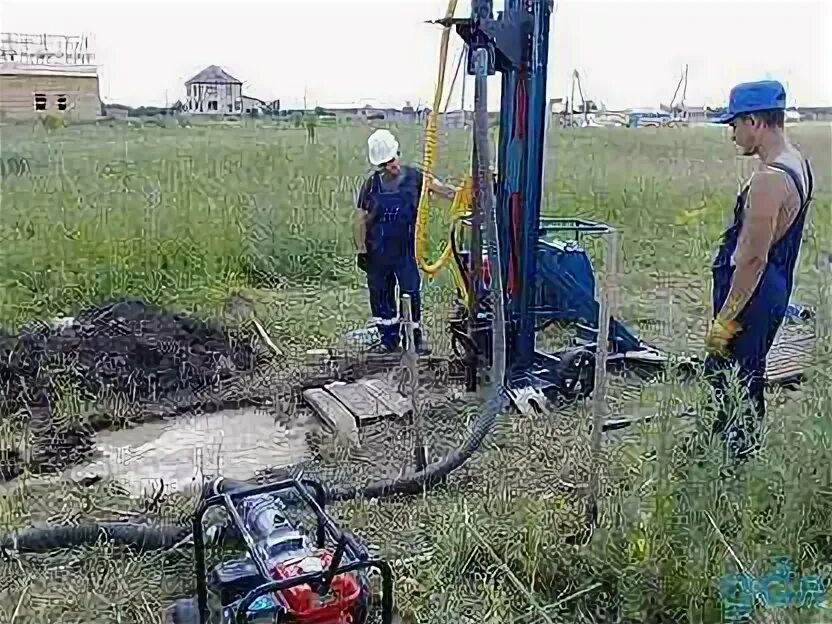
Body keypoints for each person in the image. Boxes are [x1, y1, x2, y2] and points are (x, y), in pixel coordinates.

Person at [702, 80, 815, 461]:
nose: (732, 135)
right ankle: (730, 454)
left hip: (752, 296)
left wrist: (725, 319)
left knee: (730, 381)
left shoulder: (769, 180)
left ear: (754, 122)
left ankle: (730, 466)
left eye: (734, 125)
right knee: (746, 377)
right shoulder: (797, 162)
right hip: (773, 290)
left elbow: (752, 259)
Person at [353, 128, 458, 355]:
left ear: (397, 153)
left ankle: (414, 339)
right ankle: (388, 340)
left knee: (410, 292)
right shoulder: (370, 186)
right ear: (379, 165)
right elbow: (360, 220)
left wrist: (470, 194)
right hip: (378, 251)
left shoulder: (416, 177)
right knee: (381, 295)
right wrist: (362, 251)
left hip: (405, 251)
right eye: (385, 164)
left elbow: (445, 191)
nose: (392, 166)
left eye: (393, 160)